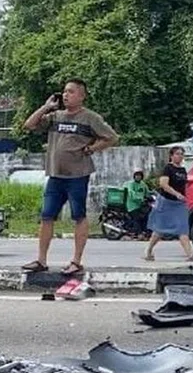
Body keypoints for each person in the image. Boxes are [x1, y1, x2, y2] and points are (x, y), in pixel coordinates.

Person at [20, 78, 119, 275]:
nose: (66, 95)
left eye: (71, 92)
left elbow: (112, 137)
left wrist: (92, 148)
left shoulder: (90, 118)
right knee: (47, 216)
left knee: (78, 216)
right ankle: (41, 260)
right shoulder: (56, 116)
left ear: (82, 96)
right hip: (55, 175)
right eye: (65, 91)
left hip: (77, 175)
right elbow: (29, 125)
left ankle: (76, 261)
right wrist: (46, 107)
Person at [143, 146, 193, 262]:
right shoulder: (168, 168)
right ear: (171, 156)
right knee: (159, 229)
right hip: (166, 202)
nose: (180, 156)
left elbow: (185, 185)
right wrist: (176, 193)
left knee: (183, 228)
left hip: (179, 204)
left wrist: (187, 197)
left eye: (181, 154)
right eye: (177, 154)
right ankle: (148, 250)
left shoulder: (182, 170)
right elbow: (163, 184)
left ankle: (190, 254)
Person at [123, 168, 152, 236]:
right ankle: (138, 233)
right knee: (137, 218)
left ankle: (145, 231)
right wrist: (140, 199)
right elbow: (131, 193)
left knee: (146, 215)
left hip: (140, 205)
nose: (138, 177)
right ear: (134, 176)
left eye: (139, 175)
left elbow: (147, 192)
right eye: (136, 175)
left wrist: (154, 194)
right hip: (132, 205)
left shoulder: (143, 184)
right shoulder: (131, 184)